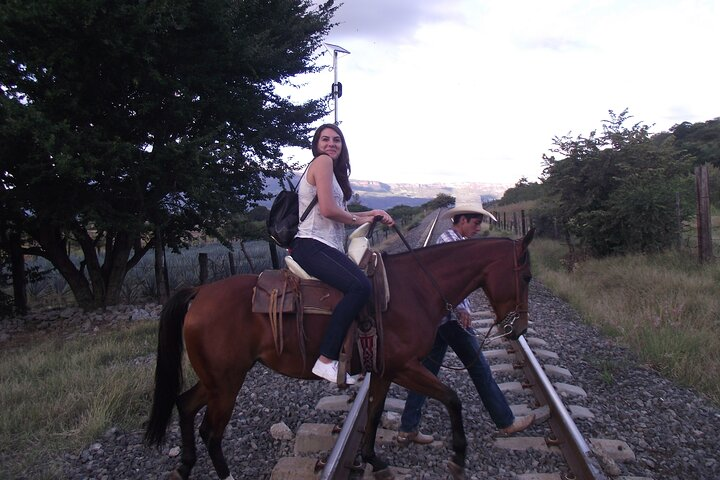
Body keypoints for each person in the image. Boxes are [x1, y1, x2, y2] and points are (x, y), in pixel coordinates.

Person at [397, 203, 534, 445]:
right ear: (460, 221)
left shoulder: (455, 241)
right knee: (480, 368)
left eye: (479, 223)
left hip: (440, 320)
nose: (478, 228)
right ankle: (506, 421)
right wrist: (461, 308)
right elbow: (443, 283)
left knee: (426, 373)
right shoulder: (450, 243)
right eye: (475, 222)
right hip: (449, 319)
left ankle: (408, 428)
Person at [290, 123, 394, 385]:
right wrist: (360, 217)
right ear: (317, 145)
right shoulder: (322, 162)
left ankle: (356, 353)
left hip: (325, 246)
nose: (330, 144)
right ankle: (325, 360)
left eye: (336, 140)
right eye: (324, 139)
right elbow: (327, 210)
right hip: (312, 244)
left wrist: (370, 215)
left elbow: (340, 216)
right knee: (359, 287)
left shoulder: (333, 172)